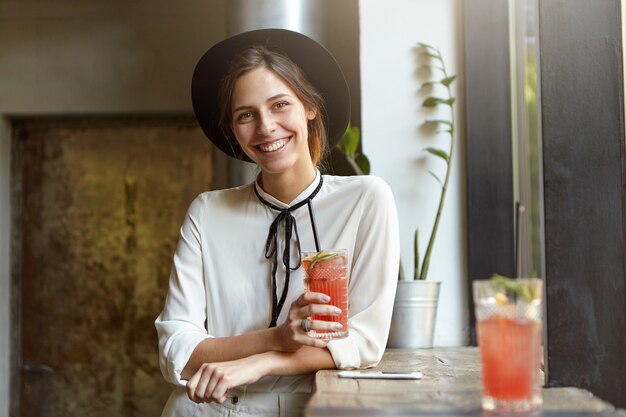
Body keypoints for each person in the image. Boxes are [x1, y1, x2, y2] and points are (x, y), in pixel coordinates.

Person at [155, 28, 400, 417]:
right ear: (234, 131)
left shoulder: (366, 200)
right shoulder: (207, 212)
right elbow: (177, 352)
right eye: (245, 115)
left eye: (280, 104)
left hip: (310, 407)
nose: (265, 127)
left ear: (310, 106)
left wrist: (265, 361)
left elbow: (364, 341)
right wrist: (276, 338)